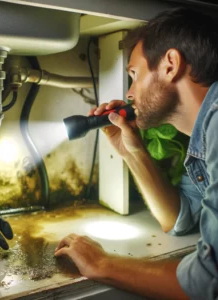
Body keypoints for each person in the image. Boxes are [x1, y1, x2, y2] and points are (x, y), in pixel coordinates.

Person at [55, 7, 218, 300]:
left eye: (134, 74)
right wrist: (131, 150)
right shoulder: (205, 138)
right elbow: (179, 219)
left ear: (170, 64)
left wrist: (101, 264)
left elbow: (207, 282)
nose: (129, 94)